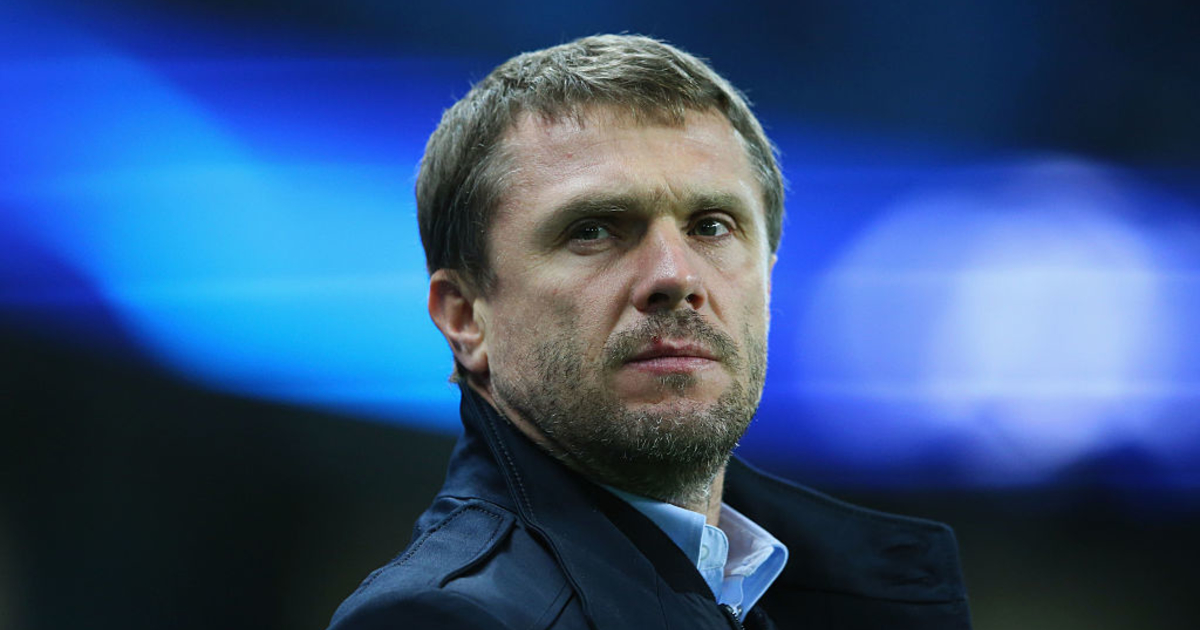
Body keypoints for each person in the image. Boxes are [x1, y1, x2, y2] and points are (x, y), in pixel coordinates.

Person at [328, 34, 971, 630]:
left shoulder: (830, 596)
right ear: (466, 317)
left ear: (768, 279)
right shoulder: (441, 618)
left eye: (711, 226)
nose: (675, 275)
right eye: (593, 230)